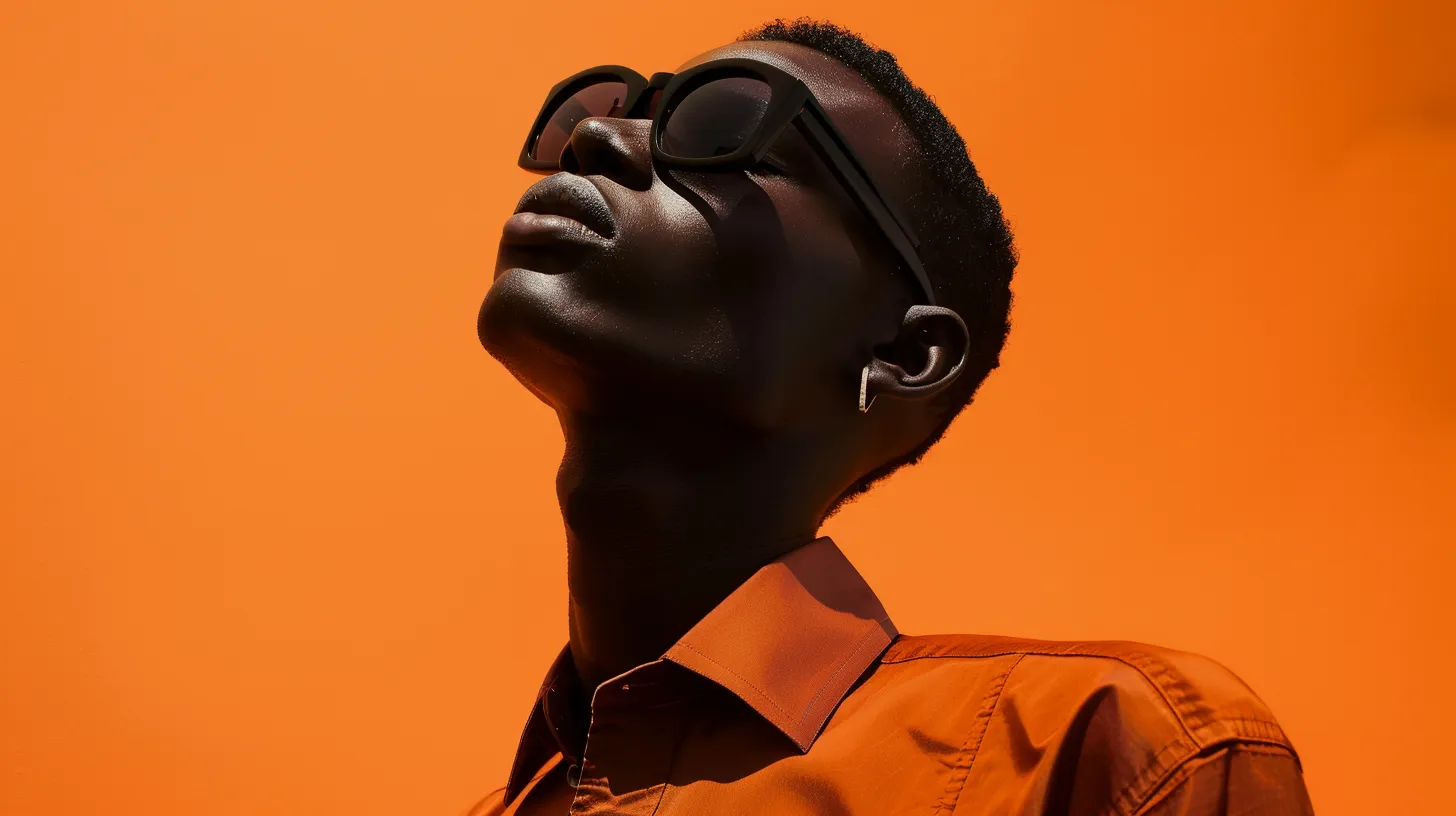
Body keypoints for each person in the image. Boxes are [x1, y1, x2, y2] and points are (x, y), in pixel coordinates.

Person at [466, 17, 1314, 816]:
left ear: (905, 353)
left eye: (723, 127)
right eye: (610, 111)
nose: (596, 137)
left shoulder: (1101, 751)